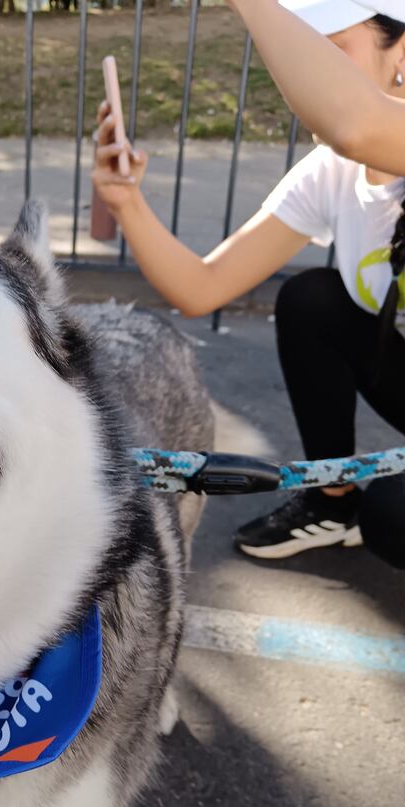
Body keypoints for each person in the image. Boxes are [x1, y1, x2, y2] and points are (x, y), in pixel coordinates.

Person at [92, 0, 405, 563]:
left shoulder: (355, 136)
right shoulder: (331, 171)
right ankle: (333, 504)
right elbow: (201, 288)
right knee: (312, 302)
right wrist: (127, 201)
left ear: (401, 55)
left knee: (395, 517)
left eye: (328, 50)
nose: (301, 70)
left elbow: (355, 123)